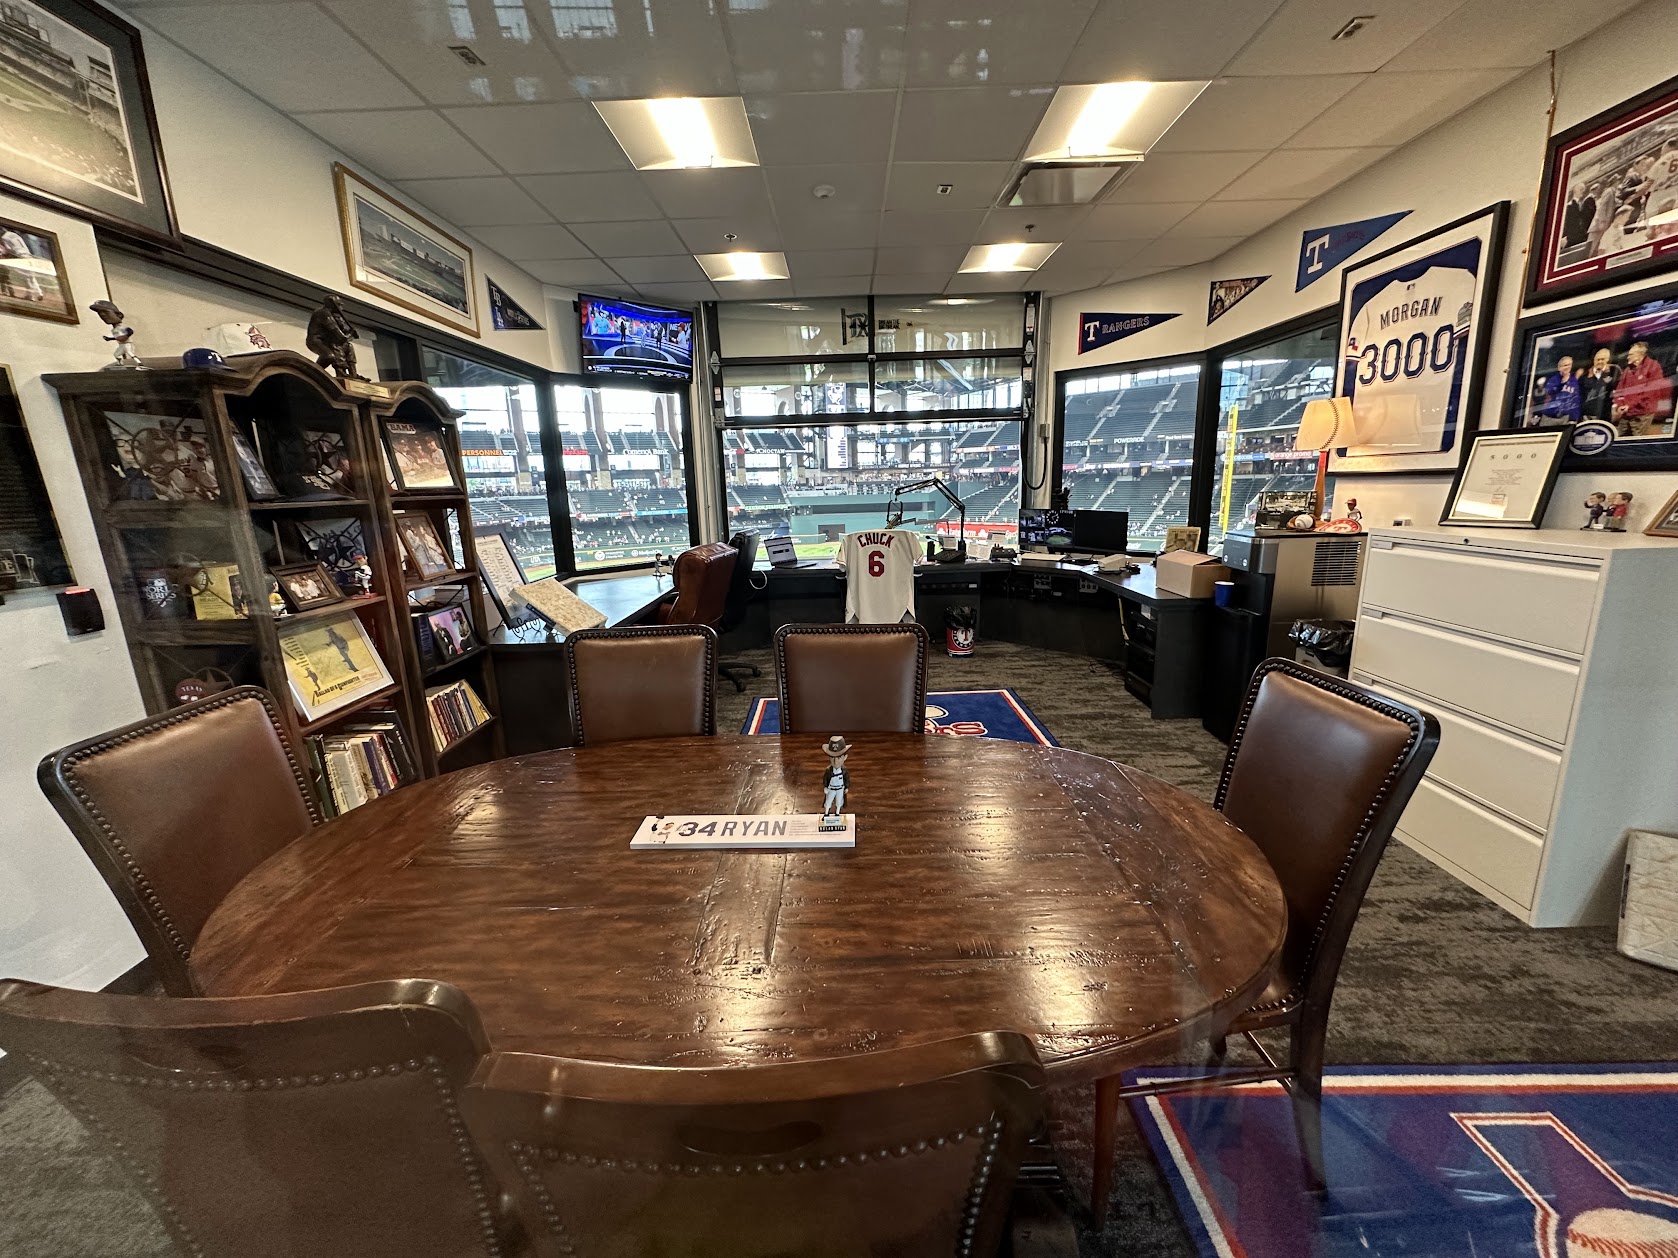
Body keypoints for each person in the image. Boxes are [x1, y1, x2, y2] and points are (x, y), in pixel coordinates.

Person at [1611, 341, 1672, 436]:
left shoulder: (1653, 367)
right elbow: (1619, 390)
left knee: (1636, 443)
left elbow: (1650, 392)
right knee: (1618, 438)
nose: (1627, 357)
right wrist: (1620, 404)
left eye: (1630, 354)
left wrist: (1629, 405)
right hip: (1626, 413)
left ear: (1639, 355)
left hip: (1643, 414)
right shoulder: (1627, 370)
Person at [1536, 355, 1582, 422]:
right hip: (1551, 417)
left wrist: (1574, 418)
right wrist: (1563, 382)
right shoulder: (1554, 379)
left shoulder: (1574, 380)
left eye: (1569, 365)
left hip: (1566, 418)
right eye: (1565, 365)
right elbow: (1550, 391)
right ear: (1559, 367)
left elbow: (1575, 399)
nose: (1568, 367)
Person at [1581, 348, 1620, 424]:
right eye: (1598, 359)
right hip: (1586, 416)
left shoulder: (1614, 372)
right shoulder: (1585, 374)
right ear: (1594, 360)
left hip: (1605, 415)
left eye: (1602, 359)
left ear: (1607, 359)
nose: (1600, 362)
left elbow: (1617, 391)